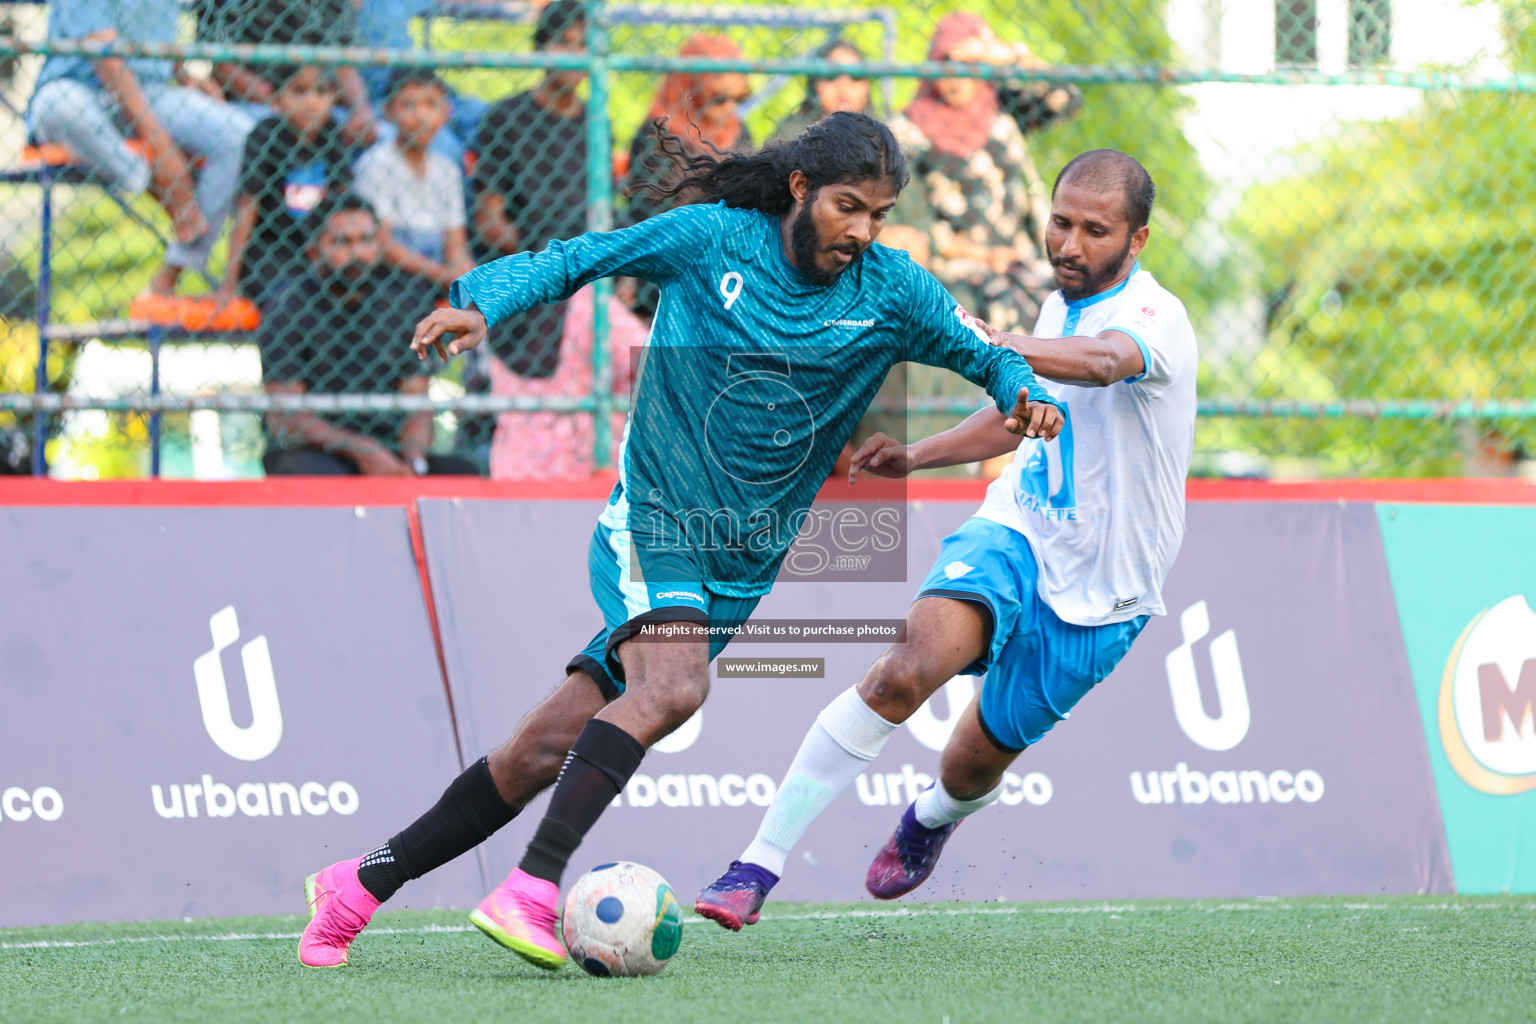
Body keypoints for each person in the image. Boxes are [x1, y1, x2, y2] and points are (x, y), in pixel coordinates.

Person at [296, 111, 1062, 970]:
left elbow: (985, 353)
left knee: (537, 752)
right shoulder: (712, 241)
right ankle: (531, 889)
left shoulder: (891, 291)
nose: (863, 230)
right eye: (850, 206)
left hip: (739, 565)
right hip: (655, 516)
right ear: (802, 189)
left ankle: (356, 886)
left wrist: (1025, 391)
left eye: (879, 214)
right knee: (674, 685)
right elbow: (579, 257)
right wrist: (479, 301)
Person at [693, 150, 1198, 927]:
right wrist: (917, 453)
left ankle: (932, 816)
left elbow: (1101, 365)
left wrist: (982, 336)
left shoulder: (1155, 317)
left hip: (1110, 587)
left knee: (972, 763)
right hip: (1018, 529)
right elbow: (1016, 409)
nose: (1068, 244)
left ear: (1138, 240)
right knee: (904, 671)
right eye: (1060, 222)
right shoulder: (1057, 307)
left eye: (1095, 231)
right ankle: (755, 865)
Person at [28, 0, 256, 296]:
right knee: (55, 103)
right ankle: (151, 181)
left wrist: (186, 77)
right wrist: (162, 154)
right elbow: (105, 57)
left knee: (240, 134)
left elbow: (160, 34)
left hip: (151, 91)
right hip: (84, 89)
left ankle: (179, 264)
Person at [888, 13, 1083, 334]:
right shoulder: (908, 131)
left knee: (1071, 308)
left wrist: (1006, 54)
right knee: (1007, 313)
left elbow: (1067, 97)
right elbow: (908, 219)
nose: (956, 78)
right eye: (946, 64)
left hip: (1022, 259)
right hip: (958, 262)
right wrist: (984, 255)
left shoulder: (1001, 108)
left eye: (968, 66)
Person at [260, 194, 478, 477]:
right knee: (314, 474)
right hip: (318, 451)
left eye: (366, 240)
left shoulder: (403, 304)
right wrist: (361, 450)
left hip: (390, 448)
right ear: (313, 251)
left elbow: (417, 402)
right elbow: (286, 418)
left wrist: (412, 460)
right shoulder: (287, 307)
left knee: (462, 473)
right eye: (342, 242)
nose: (358, 253)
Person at [472, 0, 588, 377]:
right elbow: (489, 218)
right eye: (564, 43)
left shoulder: (593, 121)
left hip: (587, 261)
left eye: (583, 45)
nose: (574, 55)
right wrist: (541, 264)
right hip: (531, 257)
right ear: (540, 48)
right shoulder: (506, 118)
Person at [621, 33, 754, 320]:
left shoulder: (739, 132)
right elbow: (648, 214)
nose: (730, 109)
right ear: (691, 90)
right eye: (719, 99)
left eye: (738, 99)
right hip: (669, 260)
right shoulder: (657, 136)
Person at [220, 64, 358, 312]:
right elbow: (247, 208)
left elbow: (342, 203)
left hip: (319, 251)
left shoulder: (331, 134)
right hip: (270, 251)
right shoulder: (265, 135)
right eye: (299, 91)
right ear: (276, 98)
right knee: (292, 300)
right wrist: (229, 282)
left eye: (321, 91)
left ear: (334, 97)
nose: (311, 102)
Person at [192, 0, 377, 148]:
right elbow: (222, 65)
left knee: (379, 136)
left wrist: (361, 110)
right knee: (246, 133)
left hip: (319, 106)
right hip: (254, 104)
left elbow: (343, 63)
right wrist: (283, 103)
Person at [354, 70, 475, 288]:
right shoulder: (376, 164)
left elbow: (456, 242)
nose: (420, 116)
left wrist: (464, 274)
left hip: (438, 271)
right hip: (392, 277)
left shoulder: (446, 169)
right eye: (408, 105)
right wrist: (443, 276)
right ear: (388, 111)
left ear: (446, 112)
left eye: (431, 105)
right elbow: (383, 243)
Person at [770, 37, 872, 145]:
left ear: (866, 86)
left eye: (855, 77)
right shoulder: (791, 134)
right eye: (831, 77)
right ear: (816, 85)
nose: (843, 86)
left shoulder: (879, 135)